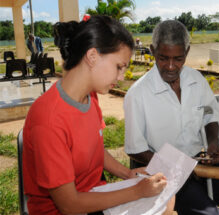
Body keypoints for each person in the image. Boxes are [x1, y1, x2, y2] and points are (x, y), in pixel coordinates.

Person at [124, 20, 219, 215]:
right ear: (152, 50)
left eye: (178, 59)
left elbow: (210, 116)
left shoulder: (196, 80)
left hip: (201, 165)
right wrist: (176, 166)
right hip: (167, 175)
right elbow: (135, 149)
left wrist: (213, 143)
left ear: (187, 52)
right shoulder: (137, 94)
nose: (171, 66)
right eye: (163, 58)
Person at [22, 15, 173, 215]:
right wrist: (137, 191)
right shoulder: (49, 119)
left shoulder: (89, 96)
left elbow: (94, 147)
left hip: (94, 194)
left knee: (167, 194)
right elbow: (69, 205)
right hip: (69, 208)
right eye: (119, 67)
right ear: (92, 56)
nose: (121, 77)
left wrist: (128, 173)